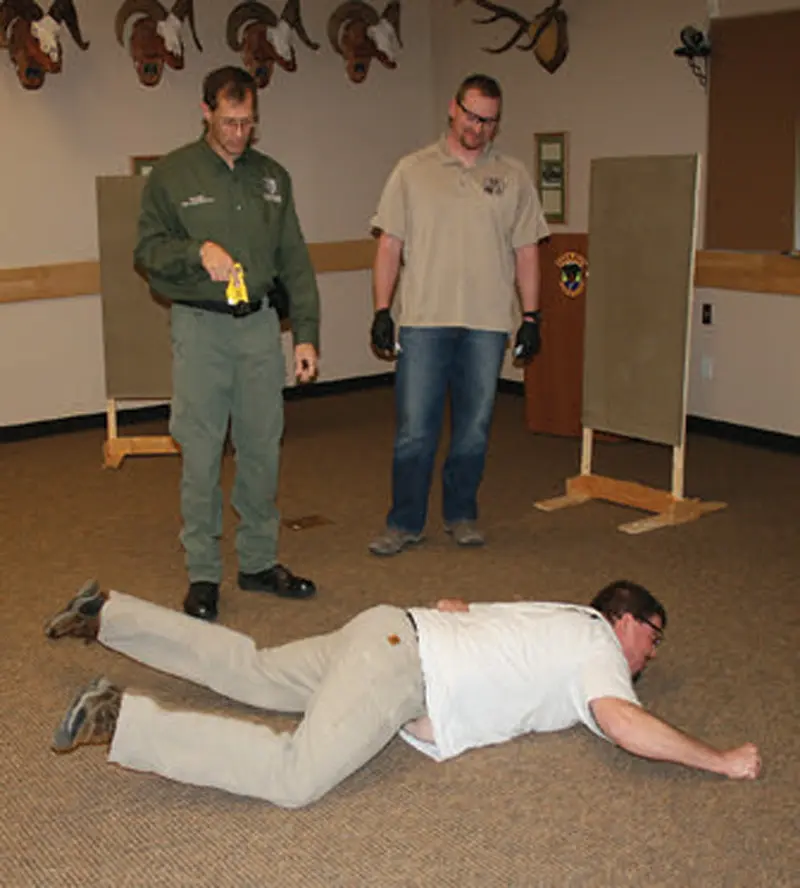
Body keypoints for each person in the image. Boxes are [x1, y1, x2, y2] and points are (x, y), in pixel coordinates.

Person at [45, 578, 760, 809]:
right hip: (402, 670)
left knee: (257, 670)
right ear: (626, 621)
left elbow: (457, 608)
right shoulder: (598, 643)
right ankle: (122, 720)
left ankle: (110, 612)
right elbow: (625, 724)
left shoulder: (557, 616)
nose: (647, 656)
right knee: (294, 776)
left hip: (390, 629)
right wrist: (720, 760)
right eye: (652, 640)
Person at [134, 66, 321, 622]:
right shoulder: (172, 174)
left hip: (261, 326)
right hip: (201, 328)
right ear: (206, 112)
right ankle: (203, 575)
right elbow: (146, 251)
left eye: (248, 123)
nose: (240, 133)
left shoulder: (273, 178)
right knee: (201, 452)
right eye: (230, 121)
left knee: (263, 447)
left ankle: (259, 562)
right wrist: (198, 252)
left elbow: (296, 260)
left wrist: (305, 334)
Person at [367, 73, 550, 557]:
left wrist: (531, 316)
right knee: (414, 430)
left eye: (489, 121)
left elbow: (527, 250)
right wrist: (382, 309)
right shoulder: (412, 170)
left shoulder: (512, 176)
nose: (479, 128)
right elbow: (390, 244)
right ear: (453, 109)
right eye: (472, 116)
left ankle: (462, 513)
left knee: (474, 428)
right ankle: (404, 522)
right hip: (425, 319)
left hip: (487, 324)